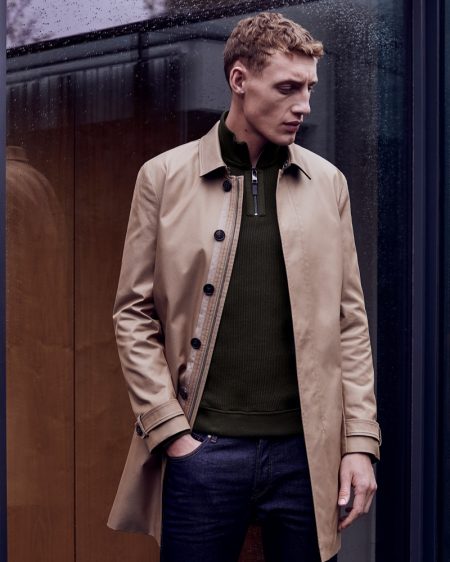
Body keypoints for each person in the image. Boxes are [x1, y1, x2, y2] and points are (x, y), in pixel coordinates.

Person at [107, 12, 381, 562]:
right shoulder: (163, 177)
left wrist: (358, 443)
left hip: (305, 457)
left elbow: (349, 322)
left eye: (309, 88)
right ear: (239, 80)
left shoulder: (328, 183)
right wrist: (172, 434)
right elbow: (132, 313)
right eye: (287, 88)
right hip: (202, 452)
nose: (304, 104)